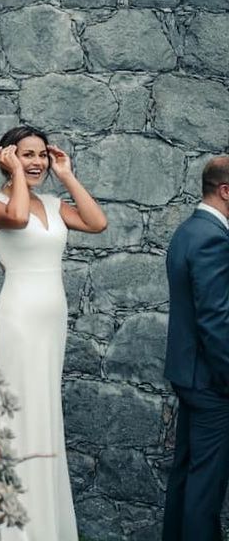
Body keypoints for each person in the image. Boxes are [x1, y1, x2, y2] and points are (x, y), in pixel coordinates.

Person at [0, 125, 107, 541]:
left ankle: (45, 526)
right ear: (6, 156)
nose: (36, 162)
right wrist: (15, 174)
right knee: (18, 416)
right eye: (25, 154)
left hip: (52, 324)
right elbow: (16, 218)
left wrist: (67, 174)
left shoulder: (53, 203)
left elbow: (97, 222)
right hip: (18, 321)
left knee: (44, 414)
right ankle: (13, 528)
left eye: (40, 156)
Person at [162, 156, 229, 541]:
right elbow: (216, 321)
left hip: (189, 376)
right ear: (225, 191)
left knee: (186, 478)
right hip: (211, 382)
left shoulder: (189, 230)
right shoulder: (213, 238)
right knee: (206, 489)